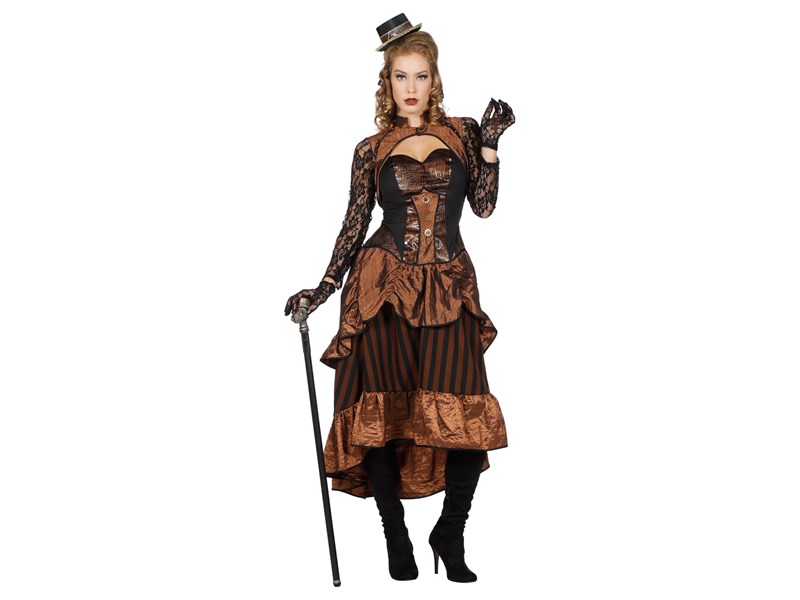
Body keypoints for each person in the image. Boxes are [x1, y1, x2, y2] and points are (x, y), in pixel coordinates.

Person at [284, 13, 515, 583]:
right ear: (387, 83)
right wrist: (324, 287)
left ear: (435, 79)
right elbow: (355, 222)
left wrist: (489, 146)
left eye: (420, 75)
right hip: (383, 290)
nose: (411, 87)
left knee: (466, 413)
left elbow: (483, 207)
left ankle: (451, 532)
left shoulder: (462, 132)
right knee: (383, 416)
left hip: (449, 289)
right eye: (400, 76)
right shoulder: (372, 149)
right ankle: (396, 535)